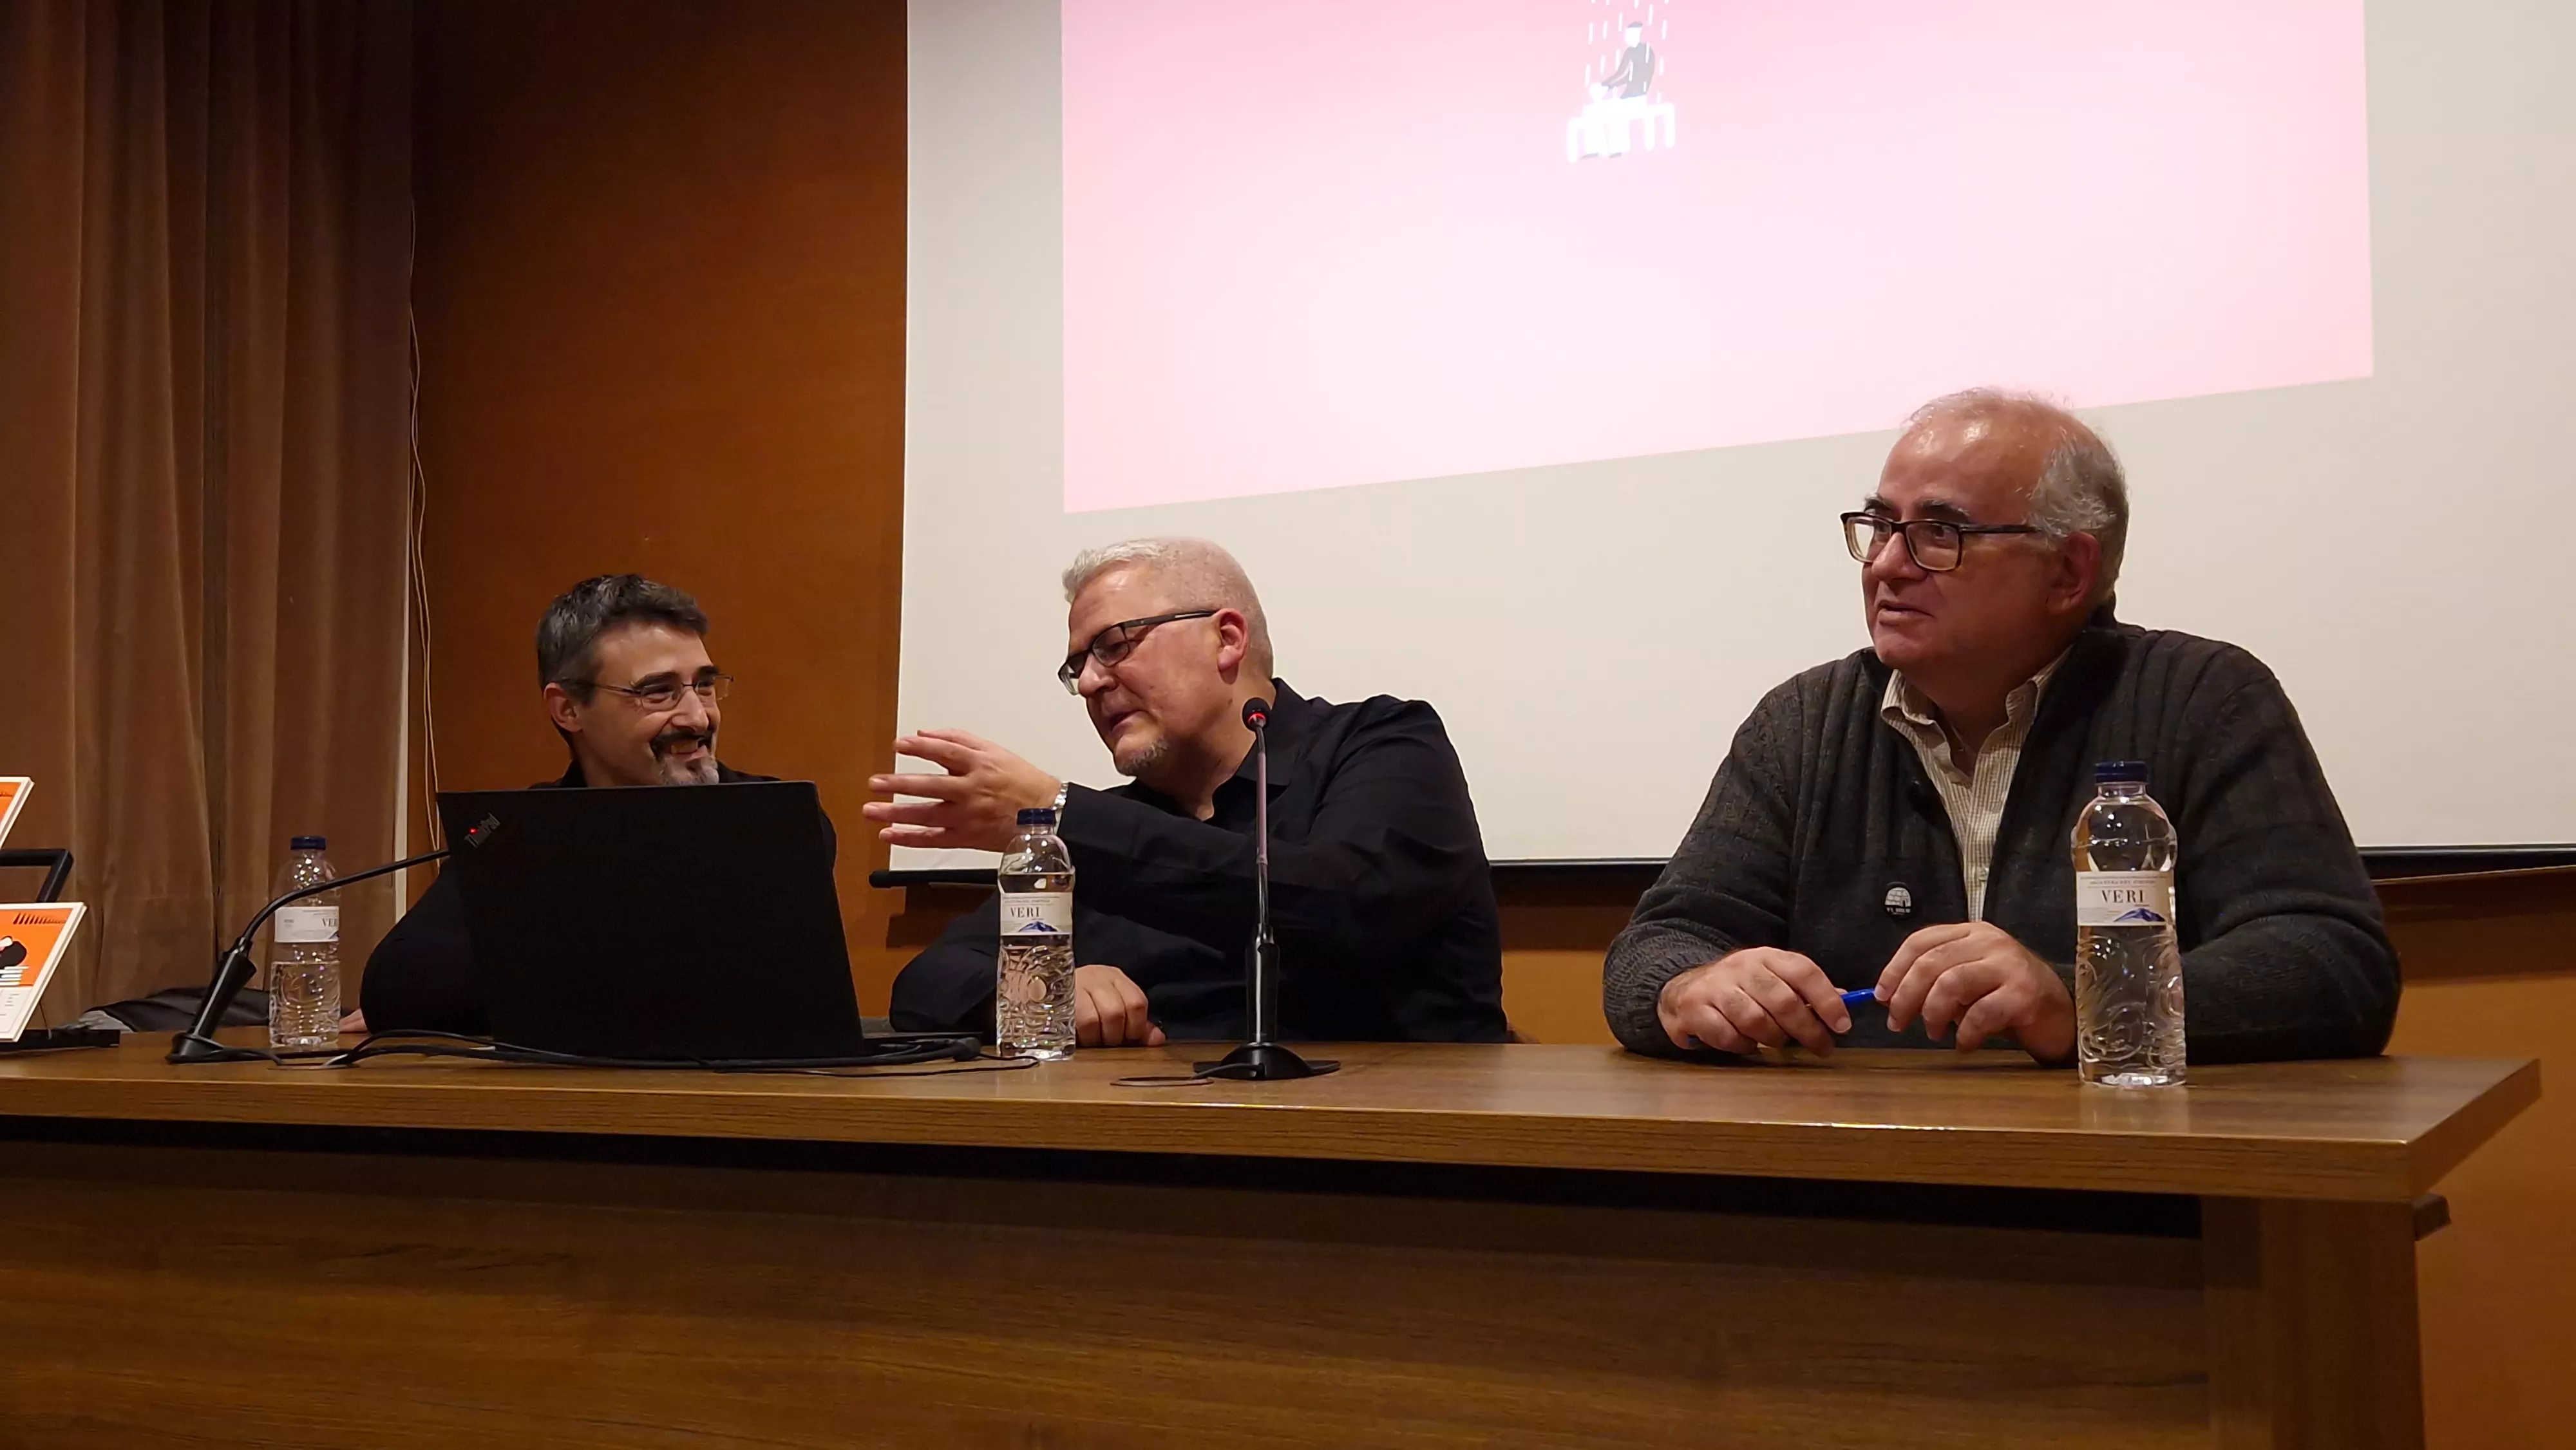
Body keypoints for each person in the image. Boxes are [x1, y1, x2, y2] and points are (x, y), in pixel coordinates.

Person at [1604, 389, 2398, 1065]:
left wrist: (2079, 998)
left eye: (1940, 532)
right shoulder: (1806, 723)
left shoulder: (2202, 700)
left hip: (2133, 1187)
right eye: (1881, 525)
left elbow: (2334, 964)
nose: (1886, 563)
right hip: (1858, 1183)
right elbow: (1662, 942)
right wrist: (1687, 987)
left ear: (2068, 571)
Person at [876, 538, 1506, 1046]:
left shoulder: (1383, 741)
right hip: (1157, 1146)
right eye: (1078, 667)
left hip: (1390, 1145)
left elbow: (1348, 902)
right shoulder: (1111, 824)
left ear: (1226, 638)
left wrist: (1063, 811)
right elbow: (926, 984)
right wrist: (1040, 984)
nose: (1092, 681)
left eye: (1113, 644)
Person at [359, 574, 822, 1034]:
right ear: (568, 710)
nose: (699, 717)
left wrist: (527, 971)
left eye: (704, 685)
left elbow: (727, 992)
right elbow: (401, 987)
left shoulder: (776, 821)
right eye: (658, 692)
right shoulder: (516, 830)